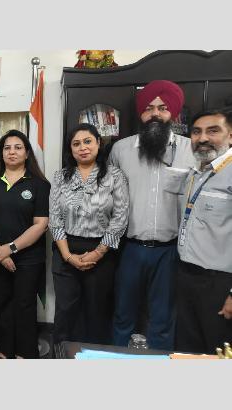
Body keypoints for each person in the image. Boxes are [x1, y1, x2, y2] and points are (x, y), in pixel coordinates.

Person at [109, 80, 195, 350]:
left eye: (162, 108)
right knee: (122, 314)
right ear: (140, 113)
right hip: (130, 249)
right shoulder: (120, 150)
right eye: (148, 108)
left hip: (170, 252)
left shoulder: (190, 149)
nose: (155, 113)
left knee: (163, 318)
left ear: (174, 113)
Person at [49, 123, 129, 345]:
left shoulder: (114, 176)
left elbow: (120, 217)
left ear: (98, 143)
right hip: (65, 250)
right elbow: (55, 218)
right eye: (76, 144)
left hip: (102, 251)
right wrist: (68, 256)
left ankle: (93, 358)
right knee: (65, 311)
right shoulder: (60, 177)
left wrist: (97, 253)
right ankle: (62, 356)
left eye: (87, 141)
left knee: (97, 311)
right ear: (70, 149)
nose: (82, 147)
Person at [0, 130, 50, 359]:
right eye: (7, 148)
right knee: (3, 304)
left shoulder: (39, 184)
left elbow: (41, 224)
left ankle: (25, 352)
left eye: (18, 147)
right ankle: (5, 349)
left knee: (24, 305)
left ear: (27, 153)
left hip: (28, 258)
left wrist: (9, 249)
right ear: (1, 153)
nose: (12, 152)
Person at [170, 109, 232, 354]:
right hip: (187, 276)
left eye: (213, 131)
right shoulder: (197, 172)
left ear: (230, 136)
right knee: (188, 351)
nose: (203, 138)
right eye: (196, 132)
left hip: (219, 284)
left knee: (217, 352)